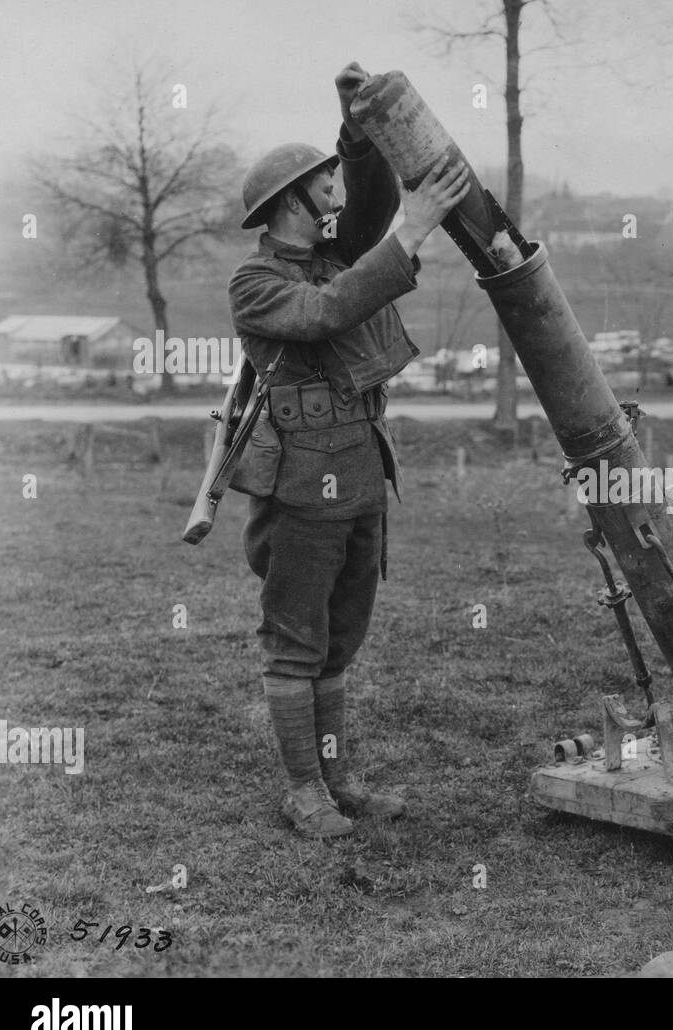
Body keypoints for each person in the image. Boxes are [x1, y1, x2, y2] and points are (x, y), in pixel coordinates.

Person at [230, 62, 469, 837]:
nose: (335, 188)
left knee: (340, 641)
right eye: (322, 181)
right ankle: (304, 790)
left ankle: (336, 780)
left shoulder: (338, 247)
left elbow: (367, 202)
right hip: (300, 486)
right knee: (297, 643)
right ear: (290, 204)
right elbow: (329, 312)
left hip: (361, 475)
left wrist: (356, 125)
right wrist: (415, 229)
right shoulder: (256, 283)